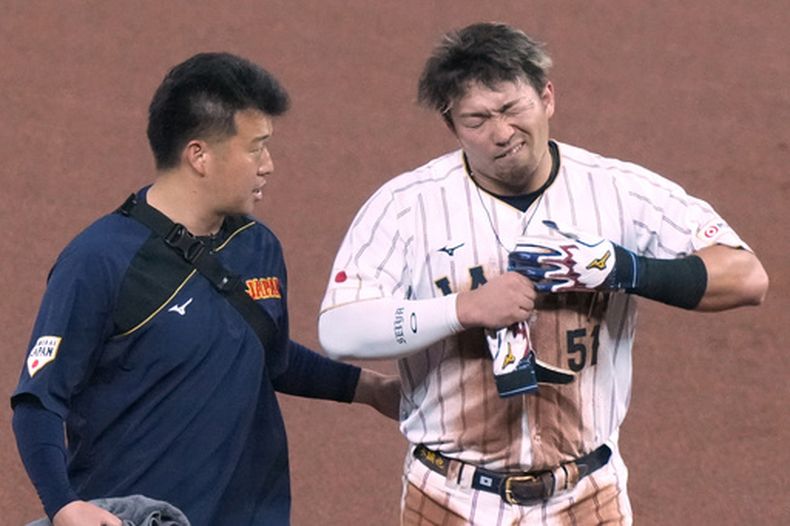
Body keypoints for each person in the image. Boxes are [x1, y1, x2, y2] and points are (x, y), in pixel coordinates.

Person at [318, 22, 769, 525]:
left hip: (586, 496)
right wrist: (462, 309)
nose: (501, 132)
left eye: (513, 109)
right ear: (452, 125)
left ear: (547, 97)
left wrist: (622, 268)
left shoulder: (617, 191)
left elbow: (747, 277)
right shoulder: (406, 207)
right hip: (449, 497)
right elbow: (340, 329)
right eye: (477, 119)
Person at [11, 52, 399, 526]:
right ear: (199, 155)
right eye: (256, 148)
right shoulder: (100, 260)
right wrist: (64, 506)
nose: (269, 165)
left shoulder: (256, 247)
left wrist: (370, 389)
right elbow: (40, 400)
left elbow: (269, 356)